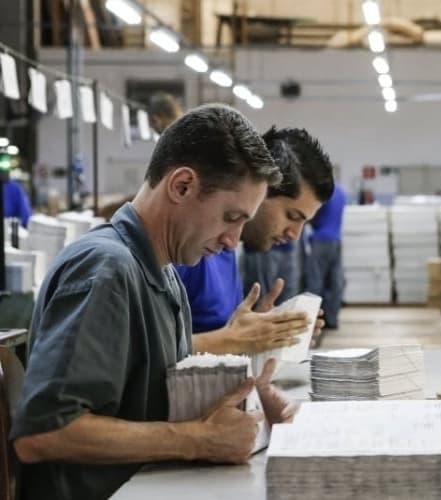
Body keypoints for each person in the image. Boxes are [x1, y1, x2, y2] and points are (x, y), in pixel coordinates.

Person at [10, 104, 297, 500]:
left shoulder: (164, 274)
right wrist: (197, 440)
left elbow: (156, 404)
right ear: (181, 186)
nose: (234, 239)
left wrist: (250, 402)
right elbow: (43, 433)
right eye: (231, 217)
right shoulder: (106, 270)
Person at [177, 127, 335, 355]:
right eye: (291, 216)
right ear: (260, 191)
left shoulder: (228, 250)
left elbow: (221, 334)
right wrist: (235, 340)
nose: (295, 235)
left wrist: (261, 329)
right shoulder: (189, 250)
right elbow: (146, 354)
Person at [304, 184, 346, 331]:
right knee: (335, 282)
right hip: (336, 240)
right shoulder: (341, 193)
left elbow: (312, 215)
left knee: (315, 280)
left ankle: (312, 320)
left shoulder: (323, 191)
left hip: (320, 239)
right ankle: (332, 319)